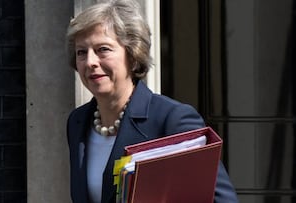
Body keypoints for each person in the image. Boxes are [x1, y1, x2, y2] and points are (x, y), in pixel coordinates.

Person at [65, 0, 239, 202]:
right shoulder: (77, 122)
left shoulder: (173, 119)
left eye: (103, 49)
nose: (90, 62)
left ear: (132, 54)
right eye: (81, 52)